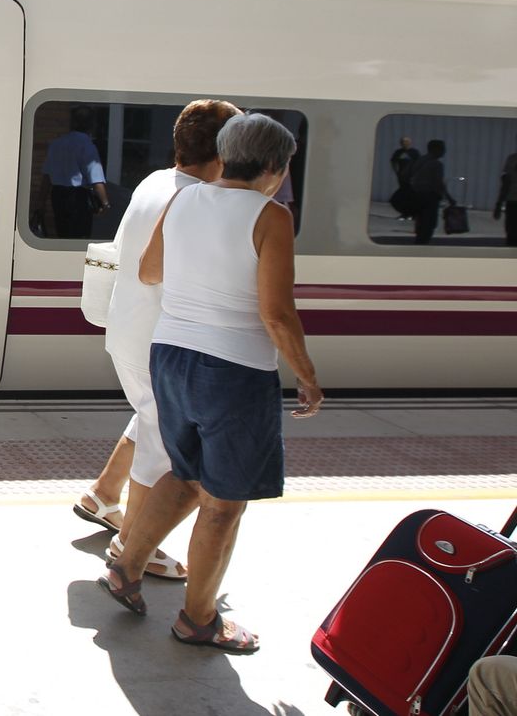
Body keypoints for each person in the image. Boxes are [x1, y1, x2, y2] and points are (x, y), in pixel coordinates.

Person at [97, 113, 323, 654]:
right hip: (235, 371)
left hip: (171, 357)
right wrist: (307, 376)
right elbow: (276, 313)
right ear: (275, 166)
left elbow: (149, 271)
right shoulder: (271, 216)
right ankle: (198, 619)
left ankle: (126, 567)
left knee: (186, 474)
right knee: (224, 503)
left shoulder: (183, 200)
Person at [74, 100, 242, 581]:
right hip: (162, 343)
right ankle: (132, 545)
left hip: (126, 328)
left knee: (150, 417)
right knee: (163, 448)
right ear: (225, 152)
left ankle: (104, 494)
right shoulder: (200, 201)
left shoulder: (155, 182)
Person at [37, 105, 110, 238]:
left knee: (63, 234)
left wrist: (41, 203)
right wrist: (105, 203)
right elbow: (96, 180)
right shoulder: (87, 146)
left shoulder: (56, 144)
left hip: (57, 195)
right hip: (78, 197)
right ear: (91, 125)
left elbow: (47, 177)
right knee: (79, 237)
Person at [408, 138, 454, 245]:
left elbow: (408, 175)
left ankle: (418, 243)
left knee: (420, 221)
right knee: (429, 223)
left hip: (416, 194)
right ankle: (422, 244)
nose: (444, 151)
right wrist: (449, 198)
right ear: (435, 149)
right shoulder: (437, 164)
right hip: (430, 197)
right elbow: (438, 183)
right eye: (442, 149)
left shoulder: (420, 160)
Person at [496, 147, 516, 247]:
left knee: (511, 230)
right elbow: (506, 182)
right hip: (512, 200)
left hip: (512, 200)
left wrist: (499, 204)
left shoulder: (512, 159)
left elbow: (506, 183)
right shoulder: (512, 159)